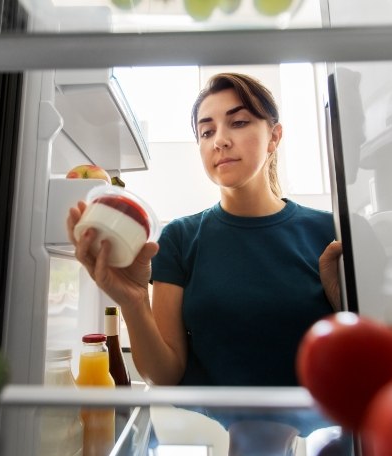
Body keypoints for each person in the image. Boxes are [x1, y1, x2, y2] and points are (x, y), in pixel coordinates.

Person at [67, 72, 343, 389]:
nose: (219, 140)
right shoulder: (179, 239)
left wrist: (345, 307)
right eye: (206, 131)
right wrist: (134, 302)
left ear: (274, 137)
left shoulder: (329, 231)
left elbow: (366, 359)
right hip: (208, 435)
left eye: (238, 122)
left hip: (313, 434)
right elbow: (163, 376)